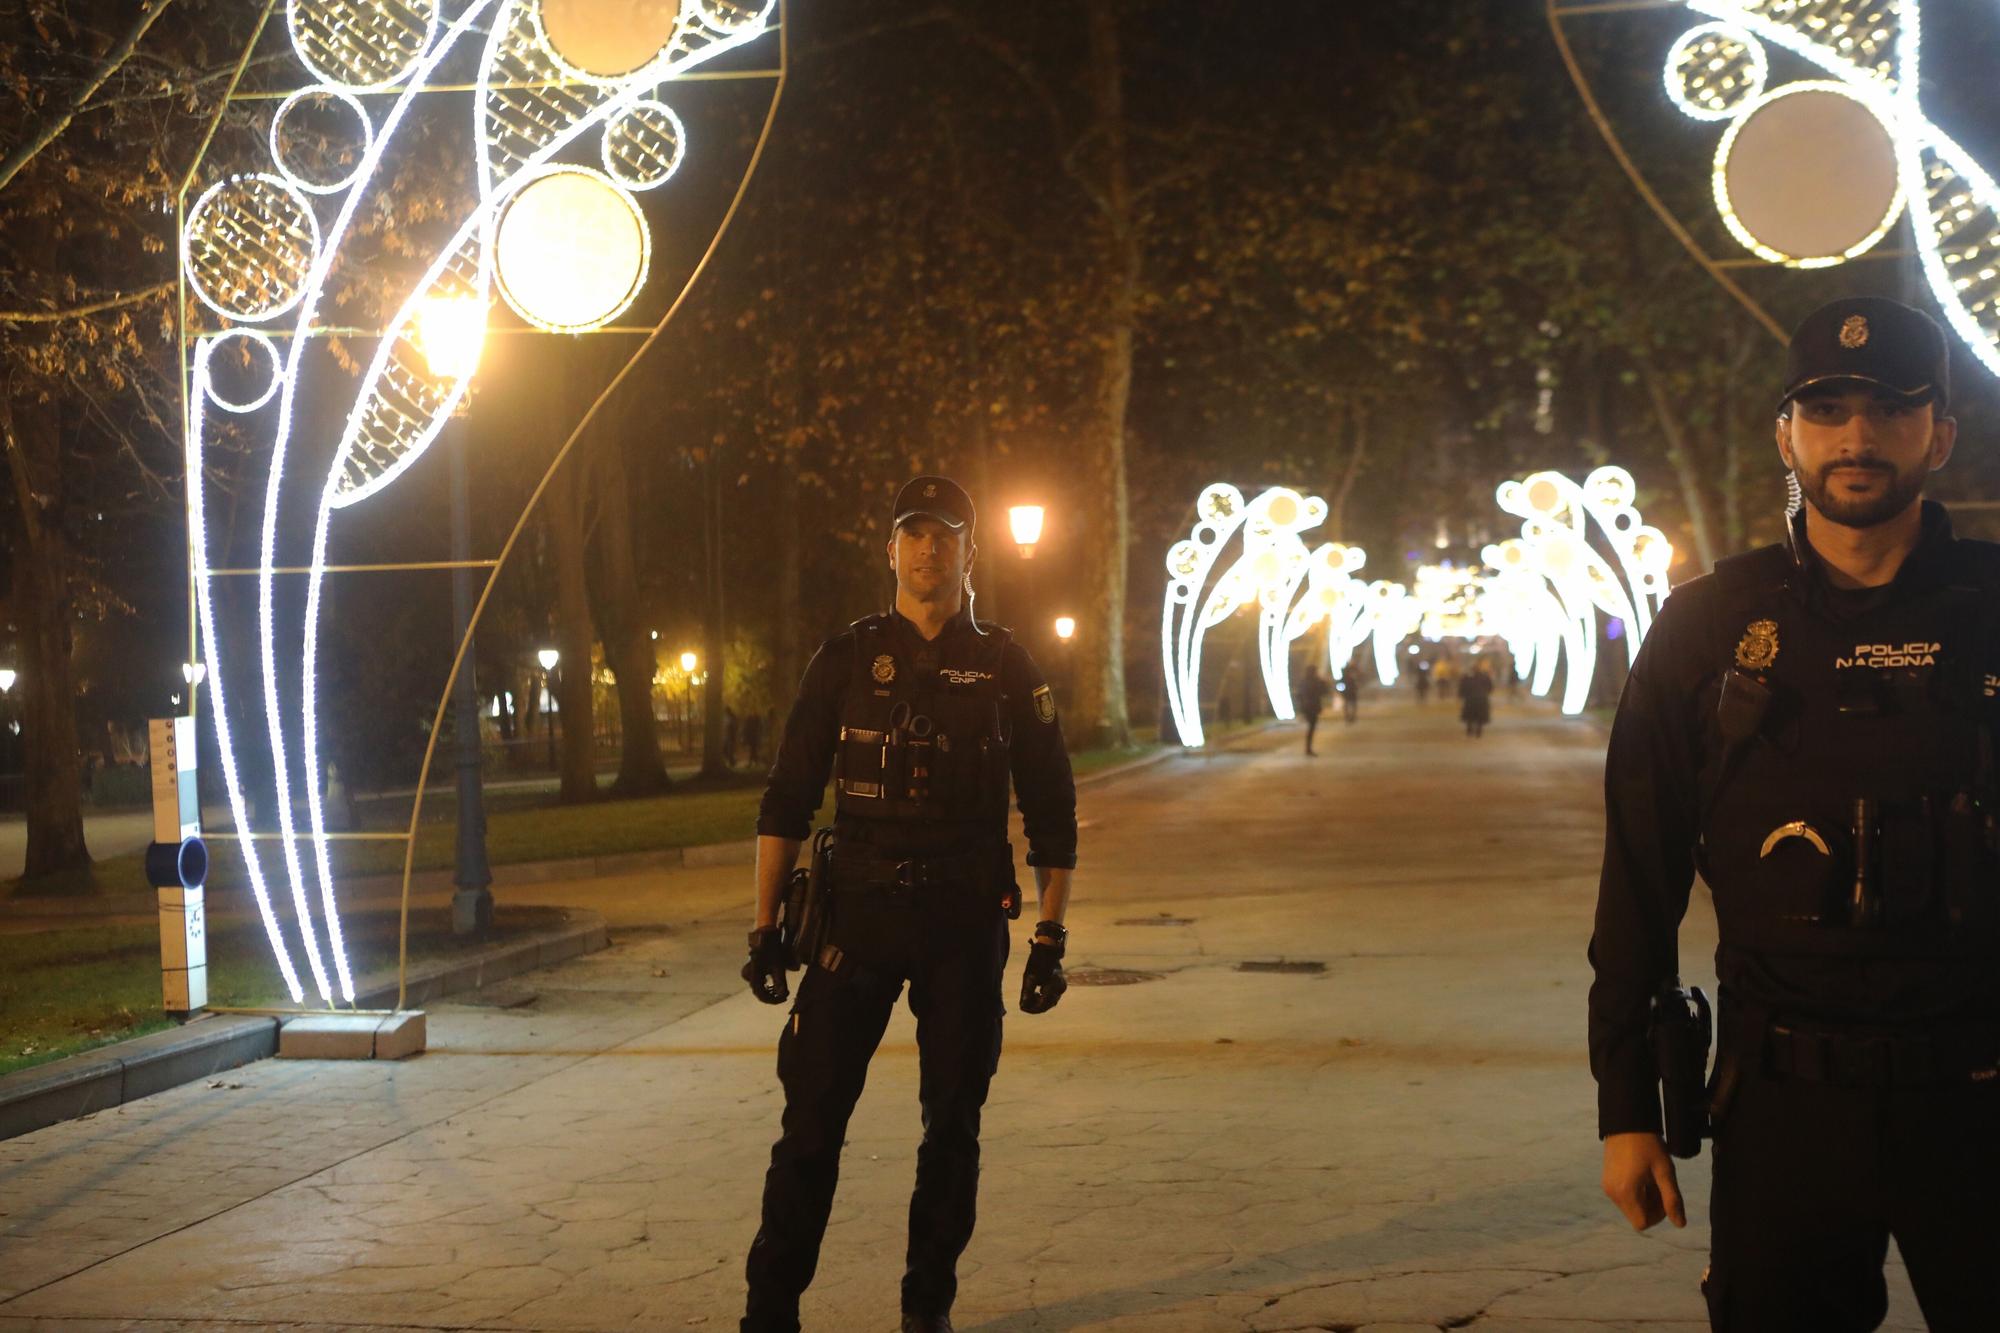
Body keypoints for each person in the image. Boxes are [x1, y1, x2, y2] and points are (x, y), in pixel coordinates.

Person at [1588, 297, 2000, 1331]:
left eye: (1892, 409)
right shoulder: (1706, 627)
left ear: (1937, 435)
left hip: (1981, 1091)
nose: (1856, 437)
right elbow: (1637, 880)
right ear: (1785, 433)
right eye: (1826, 410)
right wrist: (1624, 1107)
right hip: (1783, 1104)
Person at [739, 475, 1079, 1333]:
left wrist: (1049, 933)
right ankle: (769, 1313)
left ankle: (926, 1309)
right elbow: (786, 797)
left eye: (947, 534)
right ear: (890, 548)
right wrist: (763, 926)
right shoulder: (845, 657)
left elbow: (1052, 808)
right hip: (855, 918)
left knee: (953, 1125)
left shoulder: (1006, 663)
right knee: (810, 1124)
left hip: (963, 923)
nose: (930, 548)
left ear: (971, 551)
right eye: (913, 533)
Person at [1296, 663, 1329, 756]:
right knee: (1311, 727)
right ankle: (1308, 748)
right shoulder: (1316, 681)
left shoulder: (1303, 682)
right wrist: (1323, 681)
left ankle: (1308, 748)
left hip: (1307, 707)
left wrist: (1301, 706)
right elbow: (1325, 691)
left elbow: (1299, 695)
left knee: (1311, 727)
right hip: (1313, 707)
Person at [1457, 660, 1493, 738]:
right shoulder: (1484, 677)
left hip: (1470, 699)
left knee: (1470, 715)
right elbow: (1490, 687)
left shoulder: (1467, 677)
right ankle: (1478, 731)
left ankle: (1469, 730)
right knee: (1480, 716)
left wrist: (1461, 695)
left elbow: (1462, 687)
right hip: (1481, 699)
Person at [1337, 658, 1362, 724]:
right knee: (1348, 704)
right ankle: (1348, 717)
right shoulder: (1346, 670)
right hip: (1348, 690)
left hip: (1351, 690)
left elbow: (1359, 676)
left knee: (1351, 704)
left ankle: (1351, 717)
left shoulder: (1353, 670)